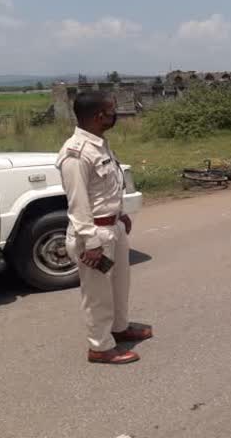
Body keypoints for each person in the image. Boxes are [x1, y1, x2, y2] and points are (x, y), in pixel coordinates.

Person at [56, 91, 152, 364]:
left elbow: (106, 189)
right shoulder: (76, 153)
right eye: (112, 111)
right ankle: (99, 346)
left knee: (120, 284)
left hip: (113, 228)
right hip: (94, 236)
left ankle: (119, 329)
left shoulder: (99, 144)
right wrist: (92, 243)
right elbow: (78, 204)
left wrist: (120, 215)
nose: (115, 115)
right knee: (97, 294)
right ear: (99, 116)